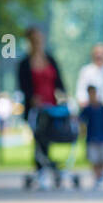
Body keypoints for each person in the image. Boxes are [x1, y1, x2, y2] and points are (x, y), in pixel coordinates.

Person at [17, 25, 67, 187]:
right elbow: (24, 86)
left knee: (49, 137)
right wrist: (32, 98)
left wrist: (64, 97)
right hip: (36, 109)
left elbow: (59, 82)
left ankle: (47, 168)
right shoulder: (25, 63)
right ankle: (41, 169)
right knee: (39, 138)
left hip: (52, 107)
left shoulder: (50, 59)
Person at [79, 84, 103, 186]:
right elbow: (80, 120)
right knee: (94, 159)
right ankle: (97, 176)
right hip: (92, 137)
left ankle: (101, 174)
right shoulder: (87, 109)